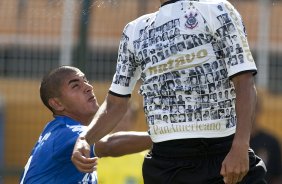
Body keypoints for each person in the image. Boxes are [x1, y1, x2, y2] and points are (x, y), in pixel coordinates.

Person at [72, 1, 267, 184]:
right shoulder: (135, 30)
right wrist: (85, 139)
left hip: (224, 153)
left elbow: (244, 81)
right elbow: (115, 103)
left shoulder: (218, 9)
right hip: (165, 163)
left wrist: (240, 145)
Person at [20, 66, 152, 184]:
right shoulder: (65, 133)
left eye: (86, 81)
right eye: (75, 86)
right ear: (57, 104)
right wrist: (163, 136)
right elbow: (109, 145)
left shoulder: (57, 132)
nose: (89, 87)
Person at [250, 98, 282, 184]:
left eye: (254, 108)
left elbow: (277, 177)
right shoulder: (231, 142)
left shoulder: (271, 142)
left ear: (259, 110)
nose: (250, 113)